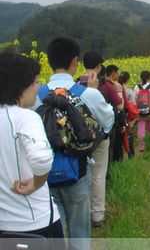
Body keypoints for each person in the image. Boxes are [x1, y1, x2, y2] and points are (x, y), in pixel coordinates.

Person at [34, 37, 114, 250]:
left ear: (49, 61)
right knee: (79, 232)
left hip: (44, 174)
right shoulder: (88, 93)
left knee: (55, 232)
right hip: (77, 170)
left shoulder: (36, 95)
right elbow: (108, 122)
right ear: (74, 61)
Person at [0, 52, 64, 245]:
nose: (38, 88)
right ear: (20, 86)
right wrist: (37, 183)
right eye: (36, 82)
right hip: (34, 222)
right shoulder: (26, 117)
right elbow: (41, 160)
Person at [77, 52, 111, 229]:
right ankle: (97, 215)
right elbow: (108, 118)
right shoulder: (101, 85)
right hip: (98, 138)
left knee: (84, 175)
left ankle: (84, 211)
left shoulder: (75, 82)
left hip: (78, 139)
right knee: (98, 175)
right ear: (98, 66)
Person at [99, 65, 126, 164]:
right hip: (108, 123)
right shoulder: (110, 86)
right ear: (113, 72)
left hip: (92, 125)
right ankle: (109, 174)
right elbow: (120, 106)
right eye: (117, 72)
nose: (118, 75)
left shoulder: (82, 83)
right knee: (108, 150)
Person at [134, 71, 150, 152]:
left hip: (140, 111)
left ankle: (141, 146)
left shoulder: (137, 87)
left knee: (141, 128)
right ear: (149, 78)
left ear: (140, 77)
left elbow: (134, 99)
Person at [118, 72, 137, 159]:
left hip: (119, 115)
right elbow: (133, 103)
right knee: (129, 134)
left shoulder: (117, 88)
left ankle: (122, 155)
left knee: (121, 136)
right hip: (128, 115)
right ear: (128, 79)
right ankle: (130, 154)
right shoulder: (129, 91)